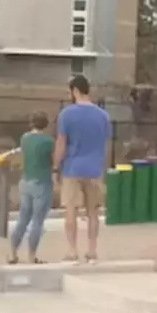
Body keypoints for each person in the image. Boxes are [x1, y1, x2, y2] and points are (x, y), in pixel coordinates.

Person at [53, 75, 112, 264]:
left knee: (71, 210)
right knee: (92, 211)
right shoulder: (103, 115)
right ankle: (92, 250)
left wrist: (56, 167)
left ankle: (72, 250)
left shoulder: (67, 114)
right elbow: (107, 144)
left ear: (75, 91)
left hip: (72, 168)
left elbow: (61, 143)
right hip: (94, 168)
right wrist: (104, 166)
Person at [9, 111, 55, 265]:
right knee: (37, 221)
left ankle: (13, 253)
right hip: (42, 180)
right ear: (46, 124)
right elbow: (54, 160)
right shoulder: (49, 141)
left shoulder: (25, 138)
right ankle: (31, 255)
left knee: (23, 218)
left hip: (26, 180)